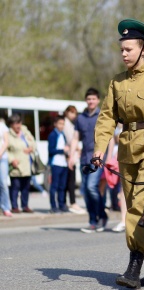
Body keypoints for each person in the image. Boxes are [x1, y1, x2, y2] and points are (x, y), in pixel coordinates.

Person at [93, 19, 144, 289]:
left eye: (129, 49)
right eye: (122, 50)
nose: (124, 54)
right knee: (139, 210)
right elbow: (107, 118)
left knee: (137, 210)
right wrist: (98, 150)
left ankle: (133, 267)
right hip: (126, 150)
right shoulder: (116, 83)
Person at [69, 87, 108, 233]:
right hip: (84, 159)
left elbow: (108, 138)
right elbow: (75, 138)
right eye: (88, 99)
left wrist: (108, 157)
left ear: (98, 100)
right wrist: (71, 156)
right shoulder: (81, 118)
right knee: (85, 190)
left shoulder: (102, 116)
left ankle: (102, 216)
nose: (91, 101)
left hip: (98, 159)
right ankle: (93, 221)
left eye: (93, 99)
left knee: (92, 188)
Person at [7, 114, 35, 213]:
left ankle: (25, 205)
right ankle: (14, 206)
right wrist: (11, 160)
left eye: (19, 123)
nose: (18, 125)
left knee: (26, 187)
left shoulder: (25, 132)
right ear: (11, 125)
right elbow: (6, 150)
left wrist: (31, 148)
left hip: (27, 163)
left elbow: (33, 142)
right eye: (15, 123)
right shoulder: (8, 135)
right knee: (15, 187)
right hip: (16, 165)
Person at [63, 105, 85, 214]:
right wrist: (77, 147)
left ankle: (69, 202)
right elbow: (71, 140)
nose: (73, 115)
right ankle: (72, 202)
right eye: (71, 112)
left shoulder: (70, 123)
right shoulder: (66, 124)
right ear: (66, 112)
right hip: (69, 155)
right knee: (70, 181)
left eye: (75, 113)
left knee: (70, 180)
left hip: (72, 154)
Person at [48, 115, 69, 213]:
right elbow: (51, 150)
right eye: (60, 123)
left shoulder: (62, 134)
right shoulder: (53, 135)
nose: (62, 126)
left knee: (62, 186)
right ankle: (53, 206)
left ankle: (62, 205)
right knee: (54, 186)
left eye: (63, 124)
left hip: (63, 163)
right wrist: (62, 150)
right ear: (55, 124)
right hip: (56, 163)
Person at [0, 118, 12, 217]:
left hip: (2, 158)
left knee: (3, 183)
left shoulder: (2, 126)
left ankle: (6, 207)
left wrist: (0, 153)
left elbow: (6, 142)